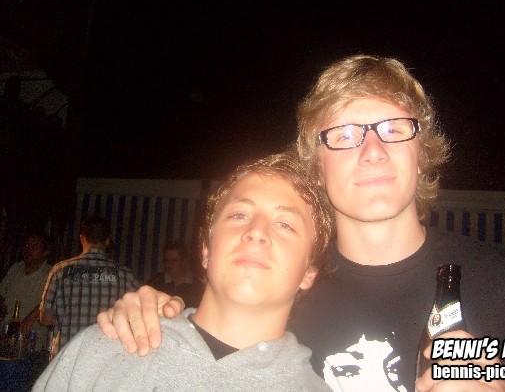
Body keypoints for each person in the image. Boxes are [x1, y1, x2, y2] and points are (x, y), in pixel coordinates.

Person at [97, 55, 505, 391]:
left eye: (394, 128)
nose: (373, 152)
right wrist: (153, 316)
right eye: (345, 135)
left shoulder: (501, 280)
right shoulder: (289, 289)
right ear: (316, 168)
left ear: (422, 151)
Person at [33, 152, 333, 391]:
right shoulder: (99, 351)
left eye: (285, 224)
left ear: (310, 272)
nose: (256, 231)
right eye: (239, 214)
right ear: (205, 249)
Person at [39, 215, 140, 357]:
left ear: (82, 239)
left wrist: (69, 316)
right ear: (107, 241)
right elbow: (137, 314)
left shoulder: (60, 270)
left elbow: (45, 318)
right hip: (107, 357)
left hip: (67, 356)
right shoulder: (125, 275)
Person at [0, 233, 51, 345]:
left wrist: (32, 316)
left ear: (45, 252)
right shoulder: (16, 268)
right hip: (6, 334)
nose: (28, 250)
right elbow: (2, 294)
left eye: (34, 247)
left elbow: (52, 302)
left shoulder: (51, 274)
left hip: (32, 340)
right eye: (26, 246)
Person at [145, 241, 201, 308]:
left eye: (173, 260)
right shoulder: (156, 281)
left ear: (183, 262)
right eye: (167, 260)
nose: (169, 264)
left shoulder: (196, 283)